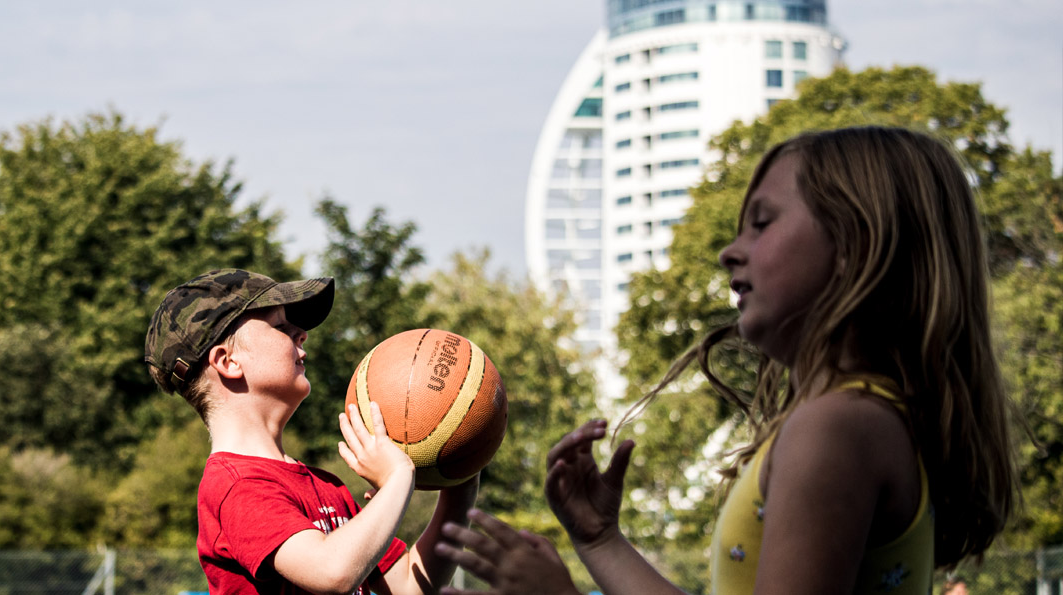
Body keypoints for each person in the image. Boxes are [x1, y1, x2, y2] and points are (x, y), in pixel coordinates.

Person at [436, 126, 1019, 594]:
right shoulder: (864, 419)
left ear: (856, 244)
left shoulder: (836, 427)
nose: (728, 250)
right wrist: (601, 541)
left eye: (762, 223)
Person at [145, 268, 478, 595]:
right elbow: (332, 573)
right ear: (228, 361)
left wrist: (461, 475)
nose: (301, 334)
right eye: (281, 327)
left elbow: (408, 587)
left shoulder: (326, 487)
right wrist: (398, 477)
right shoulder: (237, 486)